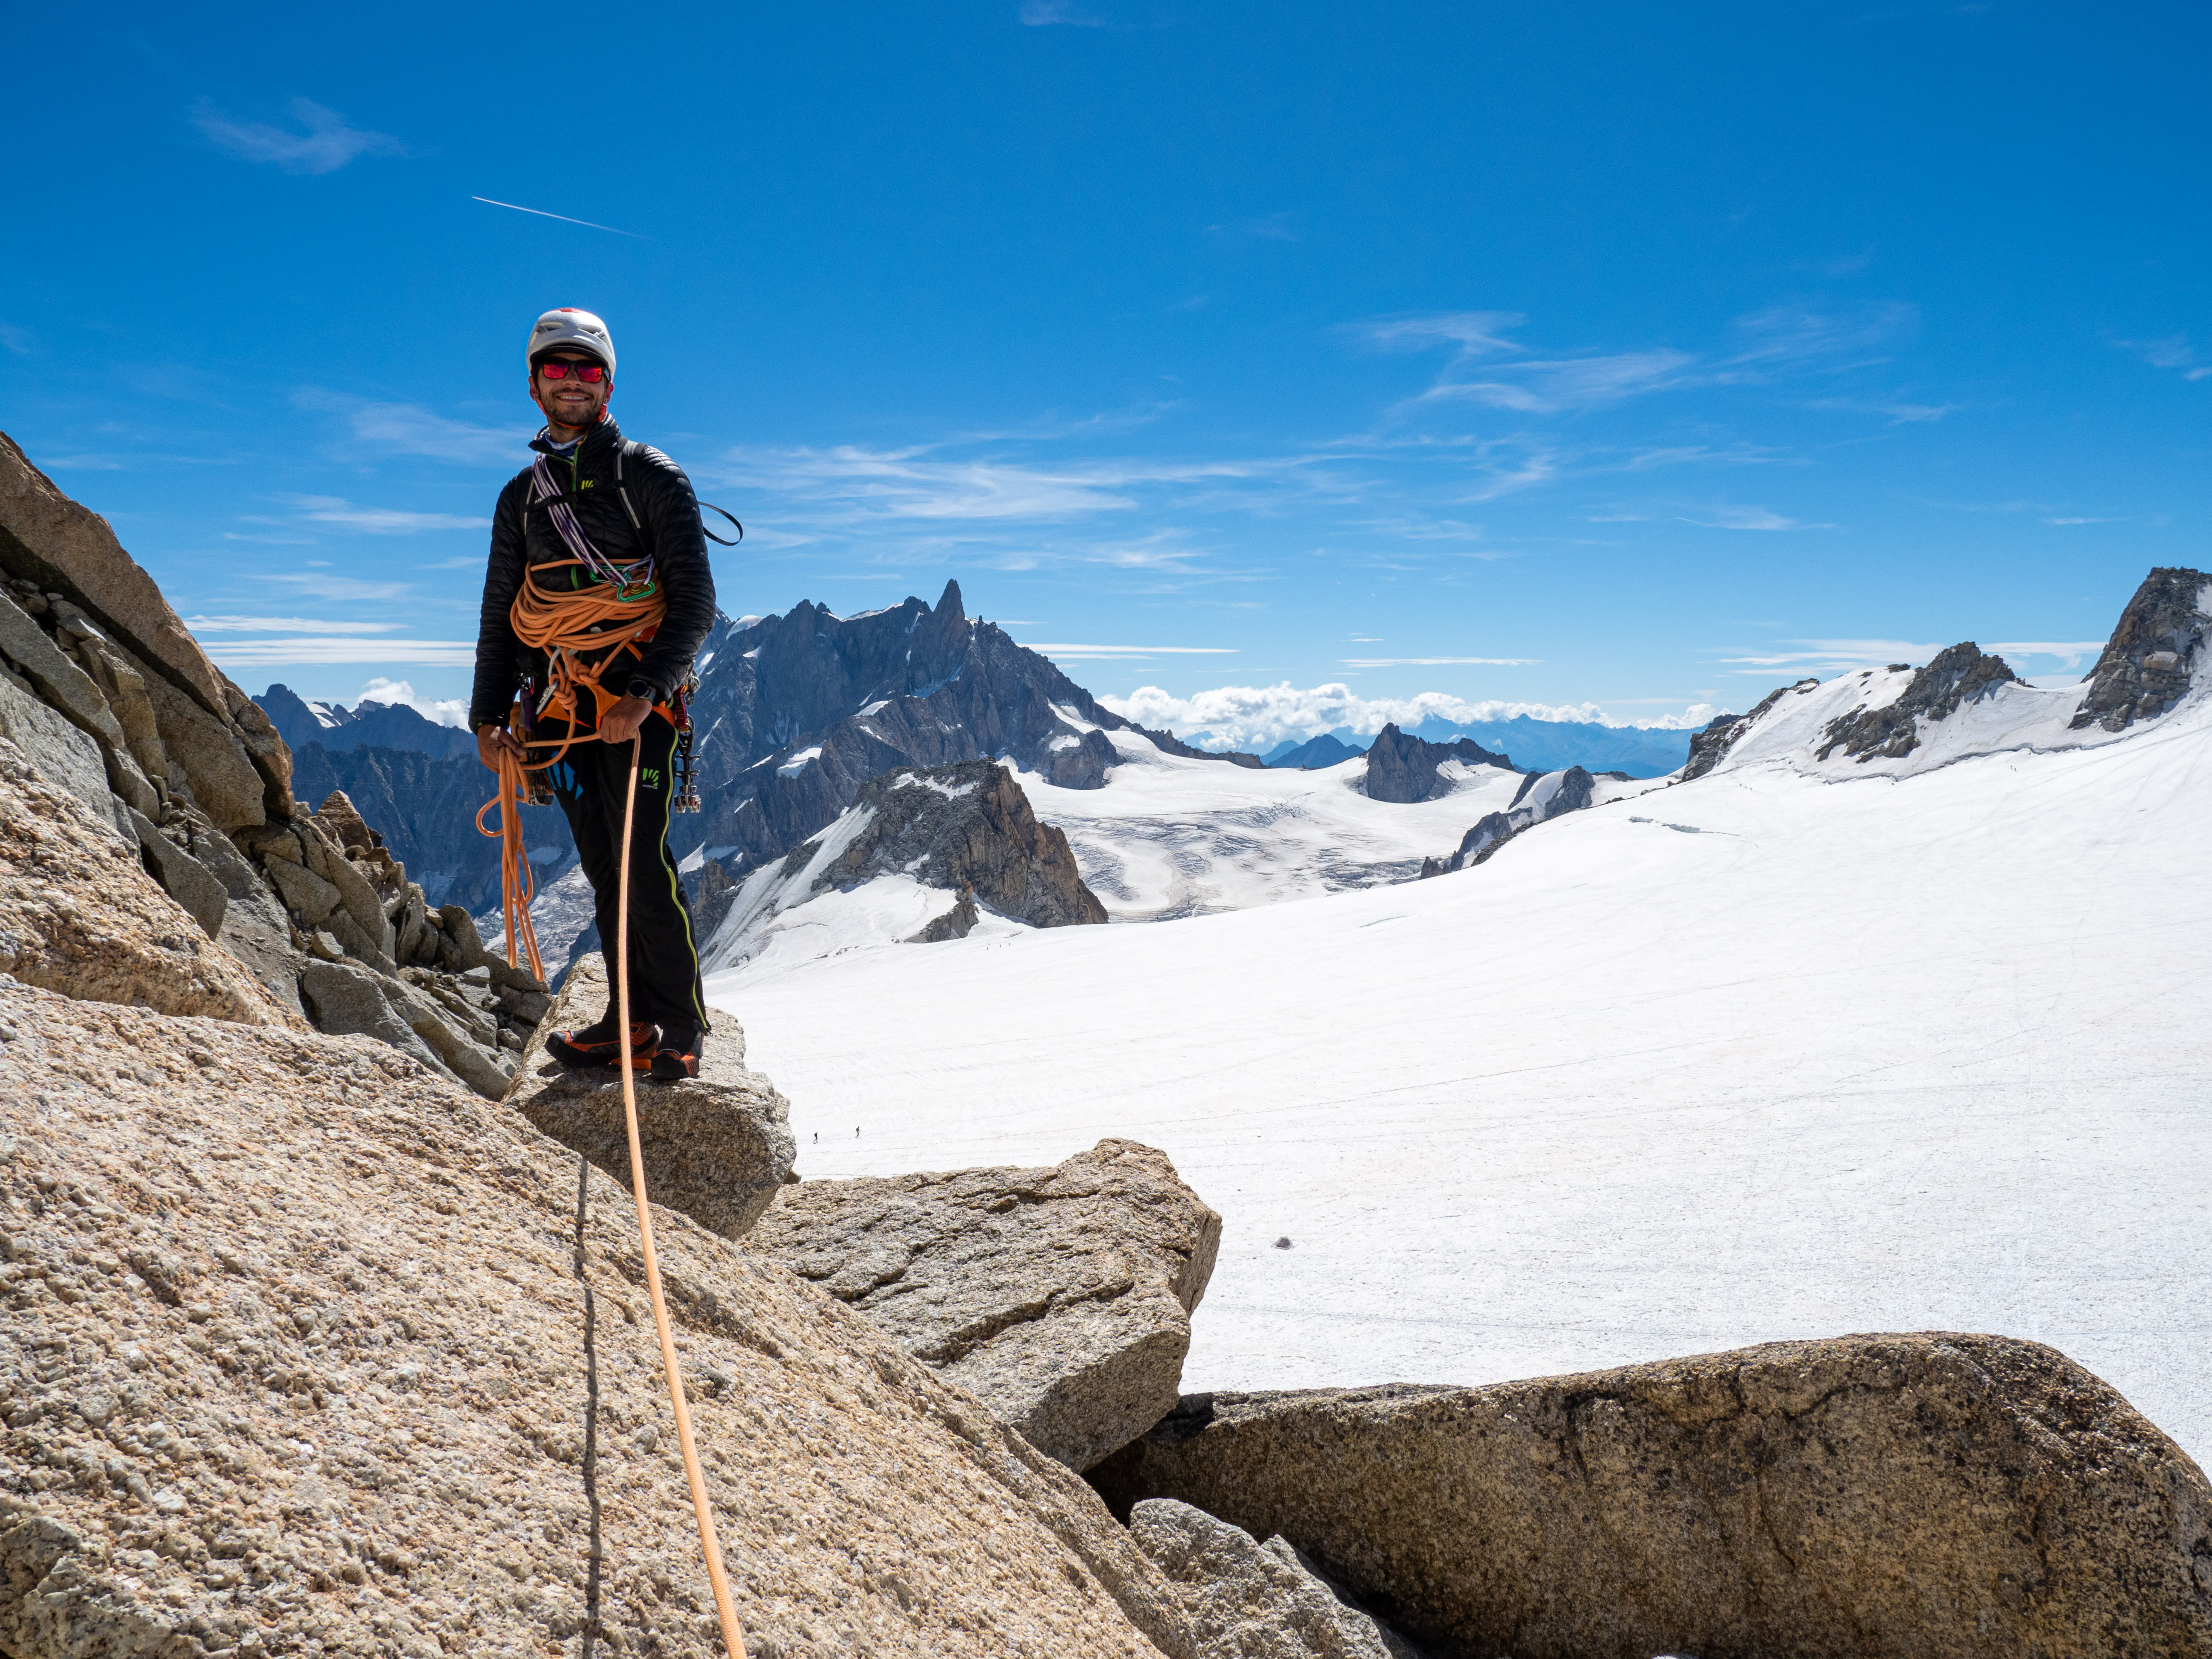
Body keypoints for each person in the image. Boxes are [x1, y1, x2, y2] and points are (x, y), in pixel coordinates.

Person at [468, 307, 717, 1080]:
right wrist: (487, 716)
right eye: (556, 368)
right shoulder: (521, 498)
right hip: (560, 708)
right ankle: (627, 1018)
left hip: (638, 706)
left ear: (608, 383)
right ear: (535, 385)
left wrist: (642, 692)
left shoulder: (650, 476)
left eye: (586, 369)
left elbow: (694, 602)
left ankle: (680, 1025)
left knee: (642, 863)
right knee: (602, 864)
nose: (571, 381)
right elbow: (503, 613)